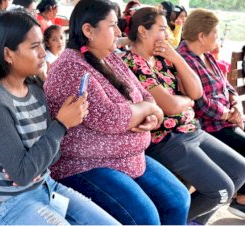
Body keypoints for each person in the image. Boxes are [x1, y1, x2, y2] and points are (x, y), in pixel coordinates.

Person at [0, 10, 120, 225]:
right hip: (6, 204)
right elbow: (23, 173)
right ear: (8, 54)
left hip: (45, 187)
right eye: (34, 47)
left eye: (42, 46)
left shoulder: (36, 90)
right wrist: (62, 124)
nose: (42, 54)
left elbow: (50, 159)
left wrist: (31, 165)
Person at [44, 0, 190, 225]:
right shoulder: (70, 68)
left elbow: (145, 95)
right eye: (112, 25)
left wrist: (151, 116)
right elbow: (111, 118)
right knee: (145, 217)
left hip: (127, 158)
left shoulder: (111, 58)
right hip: (85, 165)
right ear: (88, 30)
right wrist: (148, 109)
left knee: (177, 200)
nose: (119, 32)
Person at [121, 7, 245, 225]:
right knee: (221, 191)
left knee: (240, 171)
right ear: (142, 31)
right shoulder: (131, 63)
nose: (168, 35)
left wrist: (176, 57)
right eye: (162, 29)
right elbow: (169, 106)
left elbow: (196, 92)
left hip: (191, 130)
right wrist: (185, 100)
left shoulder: (163, 58)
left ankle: (191, 222)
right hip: (167, 139)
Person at [177, 8, 245, 219]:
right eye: (215, 32)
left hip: (224, 123)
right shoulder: (185, 60)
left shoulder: (206, 56)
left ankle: (206, 215)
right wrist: (228, 114)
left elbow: (227, 86)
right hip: (207, 127)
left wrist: (236, 105)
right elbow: (200, 103)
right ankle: (239, 200)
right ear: (202, 36)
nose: (219, 37)